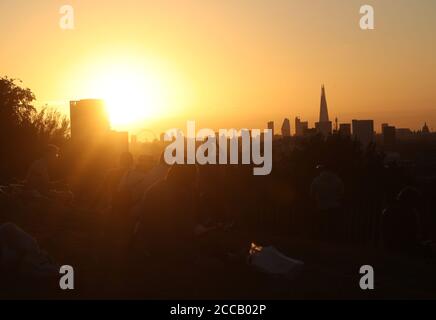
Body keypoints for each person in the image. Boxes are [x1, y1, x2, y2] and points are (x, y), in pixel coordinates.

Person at [381, 186, 432, 256]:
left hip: (389, 246)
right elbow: (411, 238)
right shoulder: (410, 213)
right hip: (404, 248)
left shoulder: (388, 210)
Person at [310, 165, 345, 241]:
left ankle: (321, 239)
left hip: (320, 205)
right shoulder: (337, 179)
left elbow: (312, 193)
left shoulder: (316, 180)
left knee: (321, 224)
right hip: (334, 206)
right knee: (332, 225)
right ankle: (332, 239)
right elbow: (342, 192)